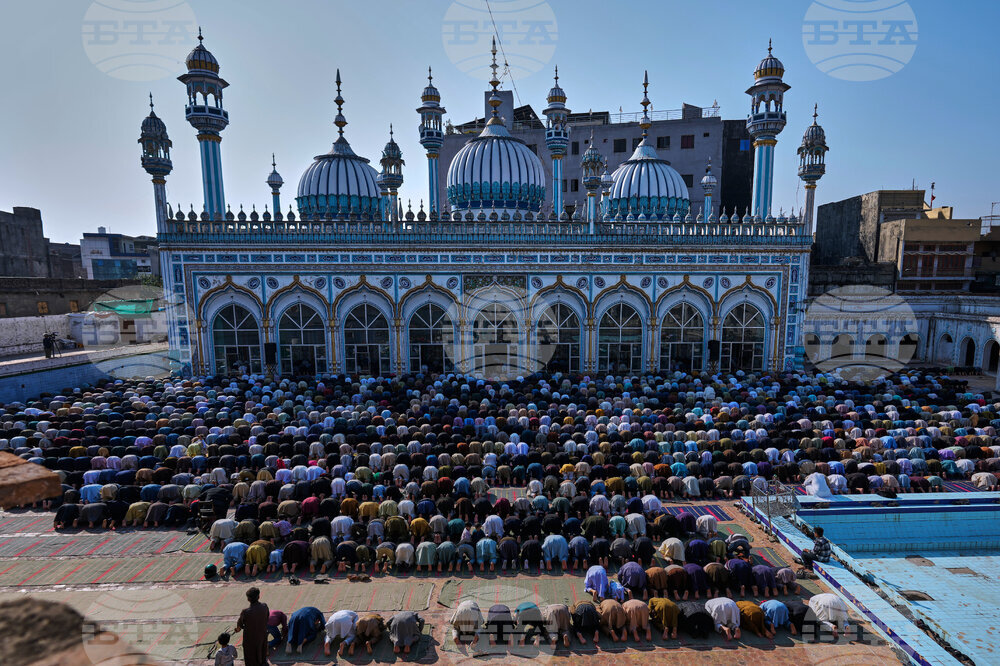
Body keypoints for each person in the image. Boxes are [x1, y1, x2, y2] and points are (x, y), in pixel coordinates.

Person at [235, 588, 269, 666]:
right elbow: (267, 618)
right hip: (262, 635)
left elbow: (239, 624)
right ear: (259, 597)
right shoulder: (264, 606)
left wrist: (237, 629)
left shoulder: (246, 611)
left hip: (250, 639)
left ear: (248, 599)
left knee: (251, 657)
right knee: (262, 652)